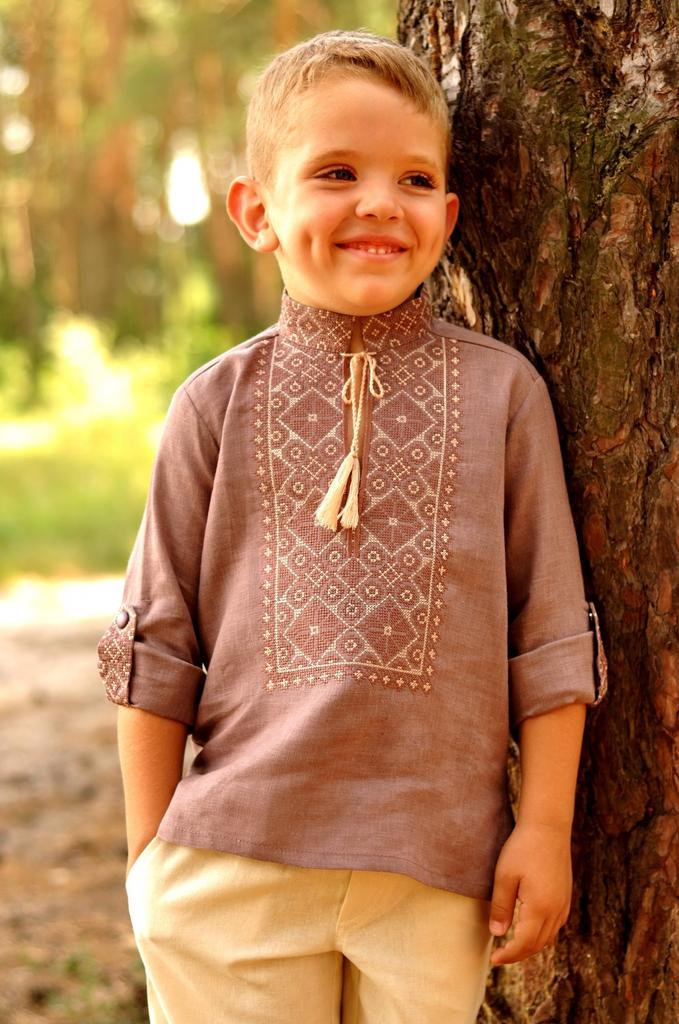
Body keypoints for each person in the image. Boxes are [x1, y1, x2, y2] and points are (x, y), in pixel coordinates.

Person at [97, 28, 608, 1024]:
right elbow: (154, 647)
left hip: (435, 878)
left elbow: (550, 634)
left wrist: (544, 828)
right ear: (257, 211)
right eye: (336, 172)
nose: (379, 202)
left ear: (446, 214)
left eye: (413, 179)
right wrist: (147, 863)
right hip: (230, 871)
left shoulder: (504, 395)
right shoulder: (213, 404)